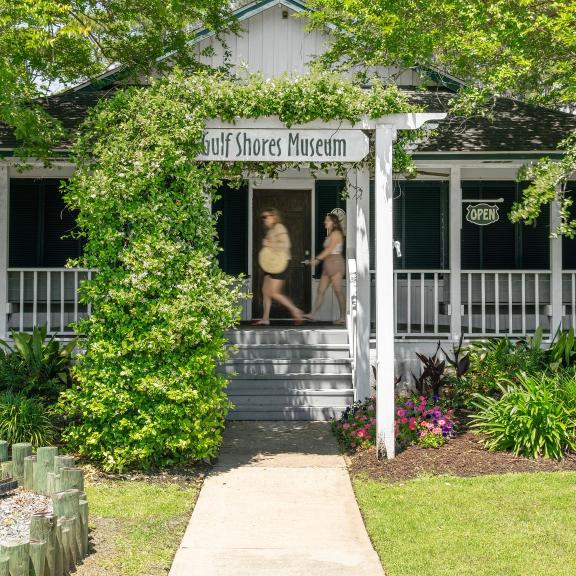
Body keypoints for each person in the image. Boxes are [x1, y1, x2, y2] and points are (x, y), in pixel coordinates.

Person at [253, 208, 304, 326]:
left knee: (274, 292)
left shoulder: (279, 227)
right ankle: (265, 319)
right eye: (262, 217)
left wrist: (269, 243)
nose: (264, 219)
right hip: (271, 264)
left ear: (274, 216)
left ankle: (295, 310)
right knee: (265, 291)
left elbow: (286, 244)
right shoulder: (271, 230)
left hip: (281, 264)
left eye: (266, 217)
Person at [304, 213, 346, 324]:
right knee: (320, 290)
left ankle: (343, 317)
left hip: (336, 262)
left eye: (327, 220)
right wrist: (315, 259)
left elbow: (329, 250)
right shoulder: (330, 234)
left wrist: (317, 259)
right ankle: (312, 314)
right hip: (328, 263)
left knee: (338, 291)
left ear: (334, 222)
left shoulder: (336, 233)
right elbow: (327, 252)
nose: (325, 222)